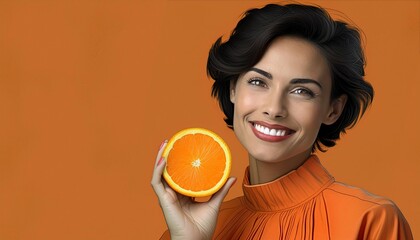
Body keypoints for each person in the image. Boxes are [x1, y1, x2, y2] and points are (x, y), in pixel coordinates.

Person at [151, 3, 413, 239]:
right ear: (233, 89)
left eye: (302, 91)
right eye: (258, 82)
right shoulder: (192, 229)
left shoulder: (371, 221)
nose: (275, 109)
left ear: (333, 109)